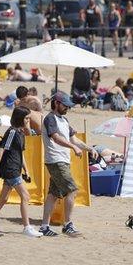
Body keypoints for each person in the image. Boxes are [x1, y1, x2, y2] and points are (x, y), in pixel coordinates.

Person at [39, 92, 95, 237]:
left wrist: (90, 149)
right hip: (55, 160)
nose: (67, 108)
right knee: (72, 190)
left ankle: (44, 227)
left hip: (62, 160)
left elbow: (74, 139)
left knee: (53, 194)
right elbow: (56, 138)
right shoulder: (50, 119)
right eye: (65, 105)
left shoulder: (64, 120)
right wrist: (73, 147)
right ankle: (68, 224)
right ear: (56, 103)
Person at [0, 107, 41, 237]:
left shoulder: (21, 133)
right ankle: (27, 227)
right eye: (26, 118)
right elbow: (2, 149)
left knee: (3, 199)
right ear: (20, 118)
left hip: (16, 169)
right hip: (10, 169)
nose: (28, 120)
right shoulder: (12, 132)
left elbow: (21, 154)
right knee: (25, 196)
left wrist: (26, 170)